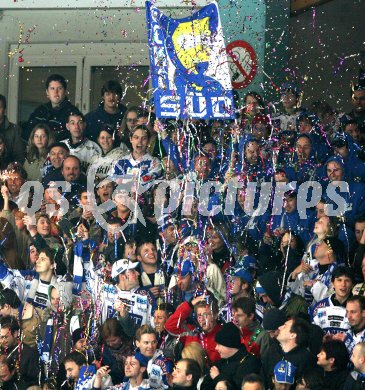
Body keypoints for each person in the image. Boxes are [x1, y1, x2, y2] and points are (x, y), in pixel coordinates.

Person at [200, 322, 261, 390]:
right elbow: (204, 386)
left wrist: (218, 377)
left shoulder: (250, 363)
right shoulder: (221, 362)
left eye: (219, 345)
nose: (216, 348)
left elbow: (239, 387)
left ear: (229, 345)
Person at [165, 294, 223, 364]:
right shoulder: (192, 332)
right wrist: (189, 305)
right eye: (199, 315)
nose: (202, 319)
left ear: (215, 315)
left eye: (205, 314)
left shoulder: (224, 333)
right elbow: (170, 326)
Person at [261, 317, 316, 388]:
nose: (280, 327)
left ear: (292, 335)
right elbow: (262, 378)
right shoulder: (272, 350)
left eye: (285, 326)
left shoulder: (306, 360)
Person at [24, 74, 78, 141]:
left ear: (65, 92)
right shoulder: (40, 110)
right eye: (52, 88)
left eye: (60, 88)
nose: (56, 92)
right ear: (47, 92)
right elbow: (28, 134)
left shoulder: (72, 113)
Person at [0, 315, 40, 387]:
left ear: (15, 333)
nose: (2, 341)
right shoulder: (1, 350)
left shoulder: (30, 354)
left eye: (5, 337)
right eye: (0, 337)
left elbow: (33, 383)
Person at [311, 266, 354, 334]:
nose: (343, 284)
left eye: (347, 281)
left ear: (352, 285)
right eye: (339, 280)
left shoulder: (359, 308)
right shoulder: (319, 307)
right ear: (332, 283)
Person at [0, 94, 25, 163]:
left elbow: (19, 157)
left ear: (4, 109)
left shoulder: (15, 130)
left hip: (7, 171)